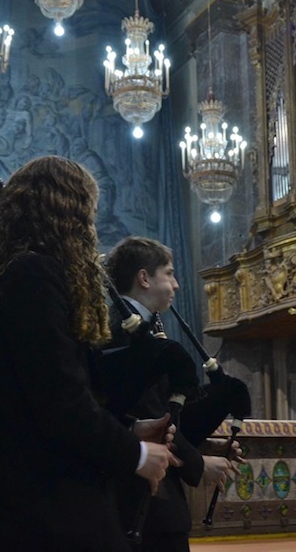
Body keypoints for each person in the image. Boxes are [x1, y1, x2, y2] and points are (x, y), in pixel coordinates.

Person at [0, 157, 179, 552]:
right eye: (88, 213)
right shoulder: (34, 275)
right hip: (35, 504)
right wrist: (136, 453)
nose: (90, 227)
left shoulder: (21, 272)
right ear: (68, 213)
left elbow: (50, 390)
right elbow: (59, 399)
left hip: (29, 500)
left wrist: (131, 428)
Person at [103, 236, 236, 552]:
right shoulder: (124, 333)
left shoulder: (140, 329)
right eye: (169, 273)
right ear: (144, 278)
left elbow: (166, 412)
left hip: (153, 503)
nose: (176, 284)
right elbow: (149, 418)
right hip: (143, 504)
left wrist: (206, 443)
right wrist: (199, 464)